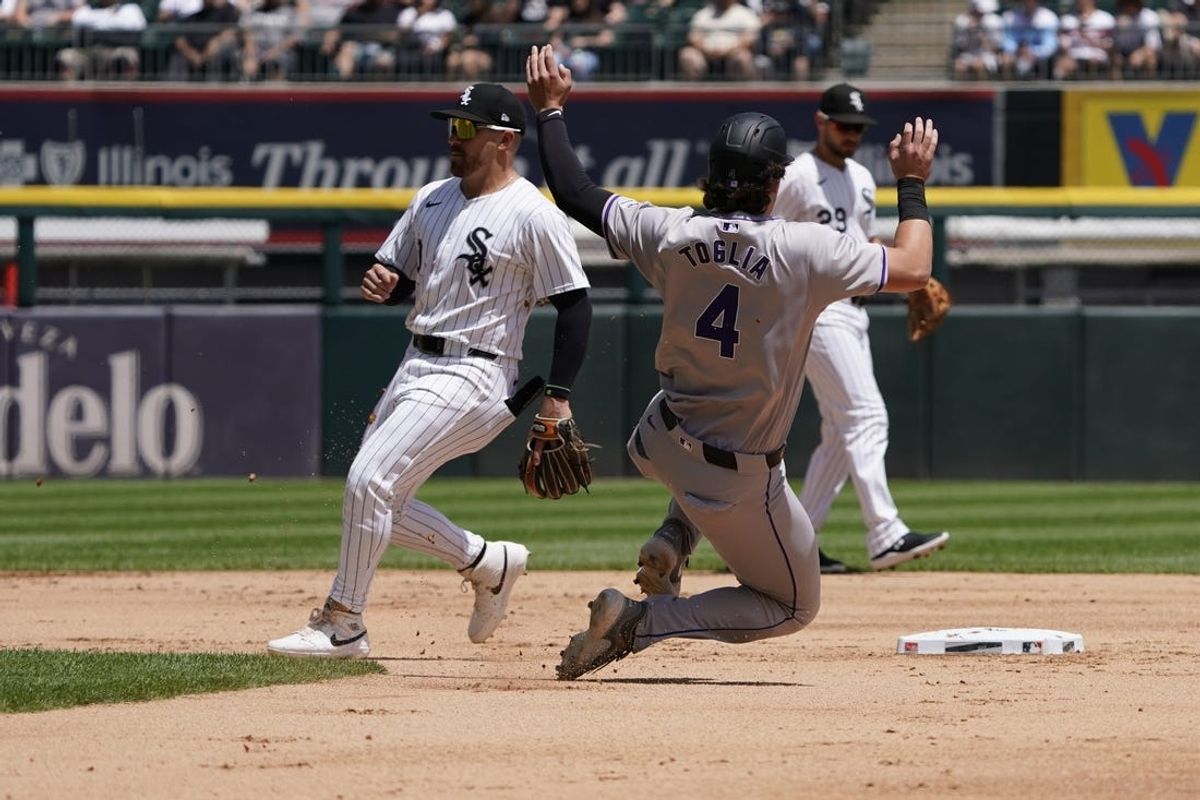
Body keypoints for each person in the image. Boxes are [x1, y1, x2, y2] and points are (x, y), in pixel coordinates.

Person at [525, 45, 938, 680]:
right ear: (776, 183)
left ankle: (673, 537)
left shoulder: (667, 231)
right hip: (732, 474)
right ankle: (639, 623)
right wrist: (912, 181)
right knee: (793, 604)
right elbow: (913, 267)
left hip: (657, 439)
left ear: (710, 174)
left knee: (700, 449)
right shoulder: (805, 248)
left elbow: (574, 191)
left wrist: (550, 110)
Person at [268, 82, 593, 658]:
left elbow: (575, 302)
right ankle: (487, 561)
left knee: (368, 483)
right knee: (380, 504)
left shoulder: (532, 215)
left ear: (504, 140)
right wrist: (387, 287)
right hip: (415, 361)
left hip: (477, 372)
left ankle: (344, 622)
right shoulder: (432, 198)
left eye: (466, 128)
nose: (453, 137)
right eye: (450, 126)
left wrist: (559, 396)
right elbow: (409, 282)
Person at [771, 83, 949, 575]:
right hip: (815, 308)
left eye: (858, 128)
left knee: (839, 432)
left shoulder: (864, 178)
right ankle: (885, 533)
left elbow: (865, 239)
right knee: (867, 416)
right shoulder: (796, 176)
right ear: (821, 122)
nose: (851, 134)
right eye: (843, 125)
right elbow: (760, 232)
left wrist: (906, 282)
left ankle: (793, 545)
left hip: (854, 308)